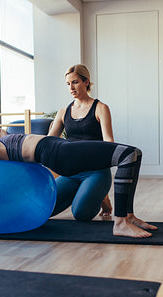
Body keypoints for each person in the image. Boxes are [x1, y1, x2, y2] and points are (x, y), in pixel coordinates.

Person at [0, 113, 158, 238]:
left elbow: (1, 135)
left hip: (61, 149)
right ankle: (120, 222)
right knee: (130, 154)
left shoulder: (3, 137)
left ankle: (127, 216)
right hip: (60, 154)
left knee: (131, 155)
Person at [48, 64, 113, 220]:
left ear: (86, 82)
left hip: (96, 172)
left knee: (81, 214)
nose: (71, 87)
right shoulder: (63, 112)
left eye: (75, 82)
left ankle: (101, 194)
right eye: (68, 84)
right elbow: (49, 141)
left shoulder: (100, 108)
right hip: (71, 173)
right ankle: (87, 191)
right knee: (46, 208)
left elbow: (109, 142)